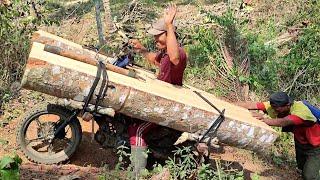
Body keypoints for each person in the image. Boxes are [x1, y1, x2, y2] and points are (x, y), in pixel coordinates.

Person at [128, 4, 187, 178]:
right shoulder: (165, 54)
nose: (155, 41)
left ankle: (137, 173)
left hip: (166, 107)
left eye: (158, 37)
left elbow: (174, 58)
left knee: (137, 130)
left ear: (169, 35)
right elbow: (155, 60)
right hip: (158, 102)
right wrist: (142, 49)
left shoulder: (179, 54)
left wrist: (169, 25)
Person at [237, 92, 320, 180]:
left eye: (276, 109)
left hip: (315, 146)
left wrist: (264, 120)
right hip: (301, 142)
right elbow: (254, 105)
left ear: (287, 105)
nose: (274, 111)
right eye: (273, 108)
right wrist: (226, 104)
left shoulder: (301, 112)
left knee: (310, 176)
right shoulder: (277, 105)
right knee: (302, 167)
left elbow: (284, 122)